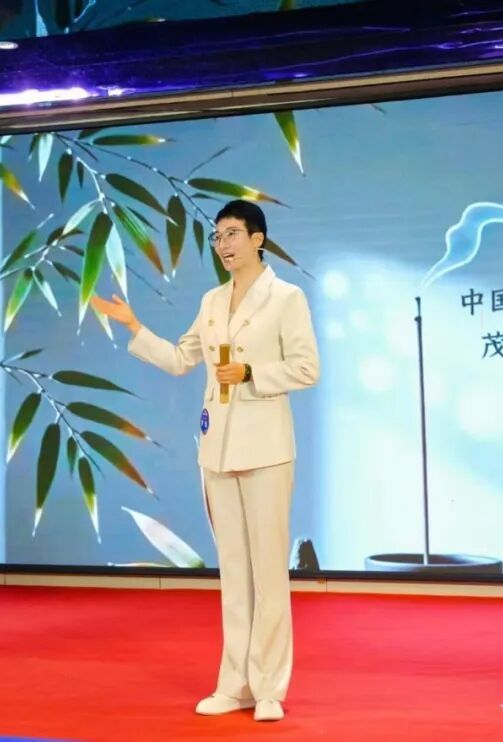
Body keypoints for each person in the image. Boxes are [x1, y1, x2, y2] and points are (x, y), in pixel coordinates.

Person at [93, 200, 319, 722]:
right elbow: (181, 359)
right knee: (234, 572)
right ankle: (234, 684)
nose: (224, 245)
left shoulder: (286, 297)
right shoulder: (212, 301)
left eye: (233, 234)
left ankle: (269, 688)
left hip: (267, 450)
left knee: (269, 571)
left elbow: (307, 368)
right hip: (216, 448)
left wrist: (252, 374)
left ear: (258, 239)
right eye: (218, 236)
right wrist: (134, 327)